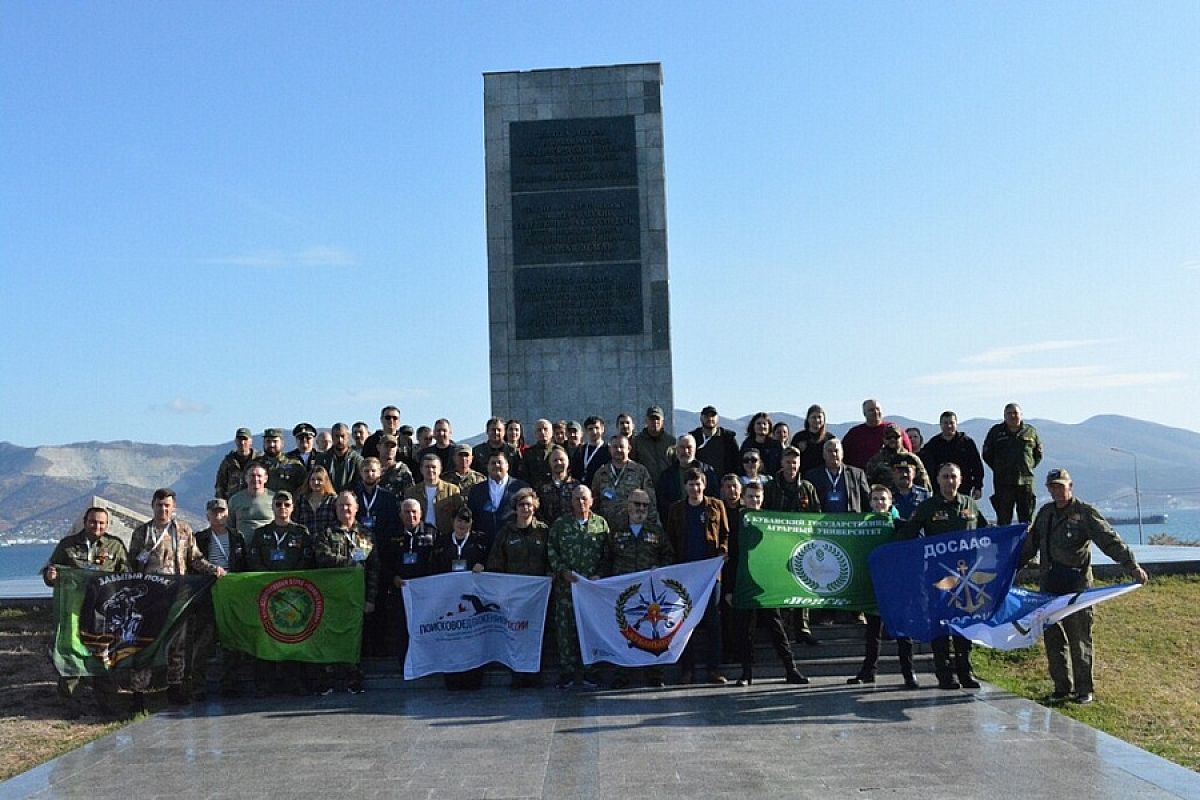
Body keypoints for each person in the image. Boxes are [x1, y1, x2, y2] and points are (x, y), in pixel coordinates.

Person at [1021, 469, 1148, 705]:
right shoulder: (1046, 513)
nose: (1057, 491)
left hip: (1076, 586)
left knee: (1079, 638)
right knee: (1052, 636)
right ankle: (1061, 687)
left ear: (1071, 486)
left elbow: (1109, 540)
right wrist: (1011, 568)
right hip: (1049, 584)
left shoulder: (1084, 513)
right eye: (1053, 486)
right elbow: (1031, 544)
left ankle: (1084, 690)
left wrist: (1131, 566)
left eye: (1061, 486)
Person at [128, 488, 225, 704]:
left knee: (178, 645)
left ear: (173, 507)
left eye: (167, 505)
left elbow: (195, 559)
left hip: (177, 596)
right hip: (149, 598)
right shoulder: (141, 533)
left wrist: (213, 570)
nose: (163, 509)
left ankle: (175, 688)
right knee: (145, 644)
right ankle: (138, 693)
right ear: (152, 506)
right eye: (159, 505)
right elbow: (131, 564)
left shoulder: (183, 530)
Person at [897, 463, 987, 690]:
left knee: (963, 626)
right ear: (937, 480)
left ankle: (966, 672)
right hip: (938, 578)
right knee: (940, 626)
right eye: (945, 477)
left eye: (953, 477)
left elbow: (987, 533)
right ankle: (945, 674)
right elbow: (908, 532)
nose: (949, 481)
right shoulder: (928, 507)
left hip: (966, 579)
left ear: (960, 479)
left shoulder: (970, 505)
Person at [42, 506, 131, 717]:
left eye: (101, 523)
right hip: (73, 611)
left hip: (102, 612)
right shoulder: (67, 545)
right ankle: (70, 703)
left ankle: (108, 704)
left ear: (107, 524)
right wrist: (51, 576)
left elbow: (126, 575)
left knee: (102, 653)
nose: (97, 526)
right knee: (71, 653)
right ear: (85, 521)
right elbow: (50, 573)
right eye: (93, 522)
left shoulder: (115, 546)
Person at [726, 481, 807, 686]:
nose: (755, 500)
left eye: (758, 497)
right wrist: (728, 588)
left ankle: (791, 669)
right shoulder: (734, 523)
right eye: (751, 496)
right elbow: (729, 558)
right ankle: (746, 673)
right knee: (744, 631)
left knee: (776, 627)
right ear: (743, 498)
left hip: (765, 585)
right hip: (743, 583)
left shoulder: (770, 522)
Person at [848, 486, 917, 688]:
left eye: (883, 499)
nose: (879, 503)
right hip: (874, 585)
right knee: (873, 632)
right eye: (875, 499)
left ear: (890, 502)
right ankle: (868, 671)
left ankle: (908, 672)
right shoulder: (863, 527)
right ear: (870, 503)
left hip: (897, 586)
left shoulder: (901, 525)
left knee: (903, 632)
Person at [666, 468, 730, 685]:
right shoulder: (676, 510)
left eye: (698, 484)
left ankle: (714, 669)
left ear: (704, 485)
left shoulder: (716, 506)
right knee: (685, 622)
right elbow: (672, 538)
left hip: (711, 574)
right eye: (691, 484)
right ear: (685, 486)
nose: (695, 488)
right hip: (686, 574)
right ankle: (687, 669)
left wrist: (723, 549)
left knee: (713, 621)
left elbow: (725, 533)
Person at [605, 488, 674, 689]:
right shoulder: (616, 531)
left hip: (649, 594)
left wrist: (659, 569)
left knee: (653, 632)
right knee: (623, 632)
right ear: (628, 506)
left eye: (645, 505)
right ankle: (621, 674)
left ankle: (655, 674)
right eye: (637, 504)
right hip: (623, 592)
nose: (641, 509)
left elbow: (668, 555)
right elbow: (607, 558)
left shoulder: (656, 532)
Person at [246, 490, 313, 695]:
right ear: (272, 507)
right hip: (269, 593)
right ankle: (265, 683)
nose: (282, 508)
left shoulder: (302, 533)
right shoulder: (261, 534)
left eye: (286, 504)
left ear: (292, 507)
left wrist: (290, 581)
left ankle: (294, 681)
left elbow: (307, 559)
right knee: (268, 635)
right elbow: (253, 560)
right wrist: (269, 580)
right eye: (278, 504)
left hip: (294, 594)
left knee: (293, 634)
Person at [312, 491, 379, 694]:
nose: (345, 509)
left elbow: (374, 568)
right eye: (341, 506)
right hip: (332, 597)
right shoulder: (326, 533)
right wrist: (349, 563)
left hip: (356, 598)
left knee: (354, 638)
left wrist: (370, 599)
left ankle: (353, 679)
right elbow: (322, 557)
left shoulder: (366, 535)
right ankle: (328, 680)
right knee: (330, 639)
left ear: (357, 508)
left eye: (349, 505)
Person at [547, 486, 611, 689]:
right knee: (565, 630)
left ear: (591, 501)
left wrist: (600, 573)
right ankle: (567, 672)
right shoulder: (560, 525)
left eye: (584, 499)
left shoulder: (600, 524)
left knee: (590, 629)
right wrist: (562, 570)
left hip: (591, 590)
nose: (581, 503)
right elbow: (551, 551)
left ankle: (590, 671)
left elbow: (608, 553)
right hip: (566, 589)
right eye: (577, 499)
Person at [487, 488, 551, 688]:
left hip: (538, 594)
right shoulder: (506, 532)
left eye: (529, 505)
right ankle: (517, 674)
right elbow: (496, 561)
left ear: (535, 507)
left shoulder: (543, 530)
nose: (526, 508)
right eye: (522, 505)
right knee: (515, 634)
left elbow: (552, 557)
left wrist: (550, 576)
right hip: (513, 594)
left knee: (536, 633)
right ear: (516, 507)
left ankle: (535, 674)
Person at [764, 446, 822, 645]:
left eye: (795, 463)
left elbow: (816, 515)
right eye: (788, 462)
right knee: (781, 586)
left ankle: (802, 628)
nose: (791, 466)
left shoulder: (808, 488)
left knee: (803, 585)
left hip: (801, 546)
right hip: (776, 546)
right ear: (782, 463)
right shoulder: (770, 487)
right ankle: (783, 629)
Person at [193, 498, 249, 700]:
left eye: (222, 512)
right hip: (207, 591)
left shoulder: (237, 537)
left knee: (232, 637)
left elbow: (245, 565)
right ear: (207, 515)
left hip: (232, 592)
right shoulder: (200, 538)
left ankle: (231, 684)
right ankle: (198, 686)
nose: (219, 516)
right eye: (214, 512)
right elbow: (194, 561)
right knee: (204, 639)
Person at [432, 506, 491, 690]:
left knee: (472, 638)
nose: (462, 524)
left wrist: (484, 566)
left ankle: (473, 678)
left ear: (471, 523)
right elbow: (433, 568)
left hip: (472, 600)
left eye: (466, 520)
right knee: (452, 638)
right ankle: (452, 678)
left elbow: (492, 563)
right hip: (449, 600)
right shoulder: (442, 542)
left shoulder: (480, 542)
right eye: (459, 520)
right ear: (452, 522)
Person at [381, 499, 438, 664]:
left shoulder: (432, 532)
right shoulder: (391, 535)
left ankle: (427, 662)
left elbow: (438, 559)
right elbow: (383, 562)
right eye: (406, 512)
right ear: (400, 514)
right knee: (402, 628)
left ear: (421, 514)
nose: (411, 515)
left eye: (414, 512)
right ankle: (405, 664)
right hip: (401, 590)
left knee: (426, 626)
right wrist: (393, 578)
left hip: (425, 592)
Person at [982, 402, 1044, 525]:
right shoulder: (996, 432)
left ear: (1021, 415)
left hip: (1025, 482)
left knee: (1026, 521)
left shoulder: (1030, 432)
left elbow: (1038, 455)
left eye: (1015, 413)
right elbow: (987, 455)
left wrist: (1026, 467)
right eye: (1009, 413)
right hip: (1003, 483)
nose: (1012, 416)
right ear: (1004, 416)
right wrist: (999, 468)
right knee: (1003, 521)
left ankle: (1026, 544)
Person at [591, 434, 658, 529]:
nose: (618, 450)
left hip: (633, 527)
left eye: (621, 447)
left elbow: (651, 501)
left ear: (629, 449)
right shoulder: (601, 473)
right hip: (606, 528)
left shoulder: (640, 471)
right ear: (610, 449)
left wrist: (650, 526)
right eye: (615, 447)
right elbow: (594, 502)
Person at [467, 452, 531, 543]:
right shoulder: (476, 490)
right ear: (487, 467)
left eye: (499, 462)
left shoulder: (521, 487)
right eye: (493, 463)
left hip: (514, 543)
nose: (496, 465)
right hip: (483, 543)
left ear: (507, 466)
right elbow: (472, 517)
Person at [919, 411, 985, 500]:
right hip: (939, 491)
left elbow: (977, 466)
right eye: (945, 423)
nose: (949, 426)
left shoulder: (967, 443)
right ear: (940, 425)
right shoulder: (933, 444)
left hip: (963, 489)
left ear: (956, 424)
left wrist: (978, 487)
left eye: (951, 423)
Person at [655, 434, 716, 522]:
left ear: (695, 450)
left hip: (702, 521)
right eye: (682, 447)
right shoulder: (667, 475)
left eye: (689, 447)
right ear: (676, 450)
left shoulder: (707, 471)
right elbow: (662, 502)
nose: (685, 451)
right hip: (677, 523)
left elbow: (714, 497)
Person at [841, 399, 914, 469]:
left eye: (878, 409)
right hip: (861, 477)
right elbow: (843, 456)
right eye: (871, 410)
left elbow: (908, 452)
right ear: (864, 413)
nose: (875, 412)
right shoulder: (854, 434)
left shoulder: (894, 430)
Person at [805, 439, 871, 513]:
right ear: (823, 455)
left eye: (836, 451)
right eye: (829, 451)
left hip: (850, 522)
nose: (833, 454)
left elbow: (868, 502)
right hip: (822, 523)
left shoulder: (857, 474)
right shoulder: (812, 476)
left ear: (842, 454)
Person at [405, 453, 465, 534]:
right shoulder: (411, 492)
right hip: (420, 536)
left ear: (440, 469)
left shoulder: (452, 490)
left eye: (433, 467)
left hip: (445, 536)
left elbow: (459, 515)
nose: (430, 470)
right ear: (421, 469)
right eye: (427, 467)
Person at [865, 423, 931, 492]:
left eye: (896, 437)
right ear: (884, 440)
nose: (892, 439)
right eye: (888, 437)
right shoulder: (875, 460)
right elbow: (868, 485)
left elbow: (924, 484)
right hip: (885, 500)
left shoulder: (912, 459)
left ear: (901, 438)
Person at [228, 462, 275, 542]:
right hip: (243, 547)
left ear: (265, 478)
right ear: (246, 478)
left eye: (259, 476)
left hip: (267, 546)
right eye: (252, 475)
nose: (256, 479)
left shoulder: (274, 498)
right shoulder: (235, 500)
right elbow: (230, 526)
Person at [690, 405, 740, 478]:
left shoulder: (728, 438)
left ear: (718, 418)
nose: (710, 419)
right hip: (699, 483)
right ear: (701, 418)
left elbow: (736, 462)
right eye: (706, 416)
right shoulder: (693, 438)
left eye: (713, 416)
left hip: (724, 484)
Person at [536, 445, 581, 525]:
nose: (558, 463)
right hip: (549, 531)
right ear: (549, 463)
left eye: (561, 459)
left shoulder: (577, 486)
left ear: (568, 461)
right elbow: (538, 512)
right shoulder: (542, 487)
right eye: (555, 460)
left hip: (571, 531)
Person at [630, 405, 674, 486]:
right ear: (646, 420)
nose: (655, 422)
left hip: (667, 485)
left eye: (658, 419)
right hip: (644, 485)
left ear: (662, 421)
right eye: (652, 419)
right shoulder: (637, 441)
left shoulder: (671, 441)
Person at [257, 427, 307, 495]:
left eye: (275, 441)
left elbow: (304, 487)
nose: (271, 445)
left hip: (285, 504)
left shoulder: (294, 464)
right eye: (268, 441)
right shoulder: (256, 464)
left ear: (282, 443)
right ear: (263, 443)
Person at [318, 423, 365, 493]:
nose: (340, 440)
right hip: (327, 499)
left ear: (348, 437)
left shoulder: (357, 460)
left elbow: (360, 484)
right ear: (332, 437)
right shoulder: (322, 459)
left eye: (343, 436)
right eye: (337, 436)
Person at [791, 404, 836, 475]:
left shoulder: (830, 439)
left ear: (824, 419)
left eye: (819, 417)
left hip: (824, 477)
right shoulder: (799, 437)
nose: (817, 420)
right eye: (813, 417)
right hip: (804, 477)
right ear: (808, 419)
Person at [214, 427, 259, 500]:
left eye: (245, 439)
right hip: (233, 503)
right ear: (235, 441)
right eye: (239, 439)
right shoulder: (228, 461)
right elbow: (220, 485)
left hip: (254, 501)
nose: (242, 442)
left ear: (251, 441)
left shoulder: (259, 460)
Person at [294, 465, 338, 537]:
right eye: (312, 479)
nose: (316, 482)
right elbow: (296, 522)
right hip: (305, 542)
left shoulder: (333, 500)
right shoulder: (302, 500)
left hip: (327, 543)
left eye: (319, 479)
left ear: (325, 481)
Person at [570, 415, 610, 485]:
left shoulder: (608, 450)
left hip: (600, 488)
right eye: (590, 429)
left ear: (602, 429)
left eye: (597, 428)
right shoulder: (580, 449)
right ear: (586, 431)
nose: (594, 432)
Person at [890, 455, 931, 522]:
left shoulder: (925, 495)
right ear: (893, 473)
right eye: (900, 471)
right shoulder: (886, 496)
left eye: (908, 471)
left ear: (914, 473)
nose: (904, 474)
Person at [740, 412, 783, 476]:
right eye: (758, 423)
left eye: (764, 424)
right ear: (753, 426)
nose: (762, 426)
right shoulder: (747, 444)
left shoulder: (776, 445)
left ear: (769, 426)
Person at [520, 418, 556, 487]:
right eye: (539, 430)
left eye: (545, 429)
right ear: (535, 434)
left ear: (551, 432)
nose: (542, 432)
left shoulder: (559, 451)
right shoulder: (528, 453)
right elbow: (524, 475)